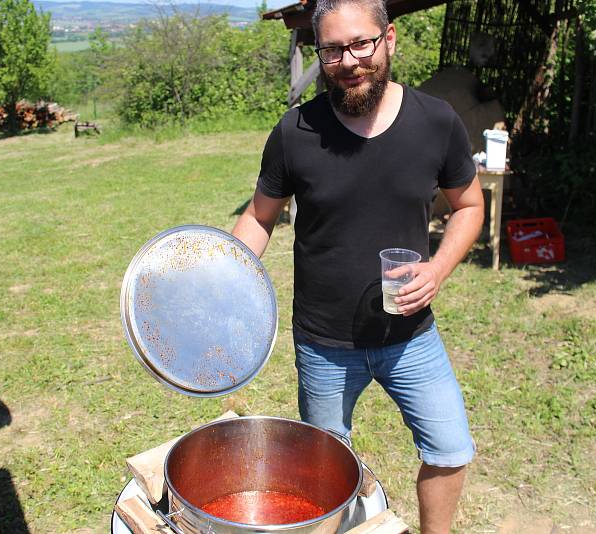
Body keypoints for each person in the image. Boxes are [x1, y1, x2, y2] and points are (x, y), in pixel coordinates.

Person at [232, 0, 484, 531]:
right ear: (319, 52)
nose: (348, 60)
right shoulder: (295, 130)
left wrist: (437, 269)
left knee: (450, 449)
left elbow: (469, 205)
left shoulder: (437, 122)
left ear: (388, 39)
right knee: (324, 473)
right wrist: (223, 278)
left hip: (412, 336)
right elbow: (259, 218)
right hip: (324, 343)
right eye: (332, 49)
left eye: (361, 43)